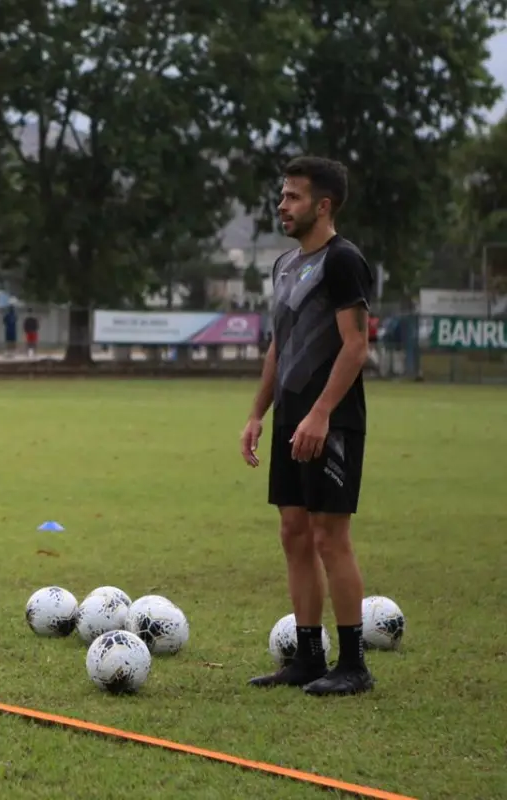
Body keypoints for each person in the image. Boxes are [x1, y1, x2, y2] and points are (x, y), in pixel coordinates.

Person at [240, 156, 376, 697]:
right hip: (291, 420)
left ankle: (354, 664)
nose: (282, 204)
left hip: (333, 421)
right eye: (282, 195)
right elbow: (279, 346)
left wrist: (321, 412)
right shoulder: (284, 265)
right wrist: (257, 413)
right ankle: (308, 657)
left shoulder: (344, 262)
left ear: (323, 205)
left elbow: (356, 345)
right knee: (293, 533)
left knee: (329, 537)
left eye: (293, 196)